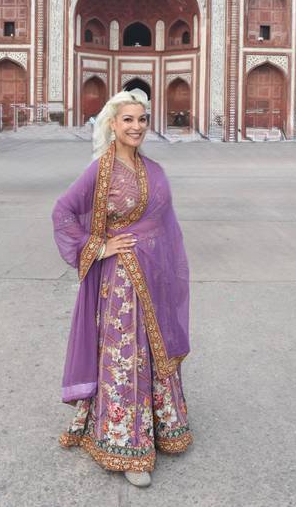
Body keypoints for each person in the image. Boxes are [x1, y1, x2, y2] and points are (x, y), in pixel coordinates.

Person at [51, 88, 192, 488]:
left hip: (153, 275)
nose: (136, 126)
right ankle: (126, 444)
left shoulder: (154, 169)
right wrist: (99, 246)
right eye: (128, 119)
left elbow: (165, 226)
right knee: (125, 357)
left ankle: (160, 428)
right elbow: (63, 211)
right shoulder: (100, 170)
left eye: (142, 119)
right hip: (121, 279)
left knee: (152, 349)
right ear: (112, 124)